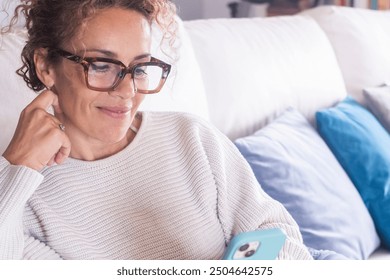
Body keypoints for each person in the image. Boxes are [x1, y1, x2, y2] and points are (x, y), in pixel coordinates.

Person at [0, 0, 312, 260]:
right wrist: (16, 167)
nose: (127, 91)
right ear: (45, 66)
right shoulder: (24, 199)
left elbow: (283, 239)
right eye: (101, 66)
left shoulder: (191, 138)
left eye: (139, 68)